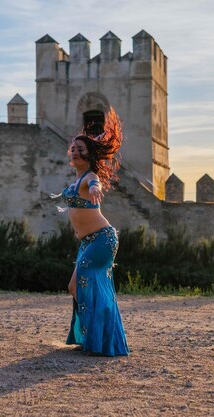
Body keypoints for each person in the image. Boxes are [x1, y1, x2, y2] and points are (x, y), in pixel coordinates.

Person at [60, 107, 130, 357]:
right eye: (74, 149)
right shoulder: (73, 182)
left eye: (81, 149)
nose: (76, 152)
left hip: (103, 239)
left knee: (87, 283)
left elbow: (94, 182)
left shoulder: (89, 177)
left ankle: (101, 342)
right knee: (74, 286)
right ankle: (92, 337)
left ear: (89, 156)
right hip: (88, 242)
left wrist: (95, 189)